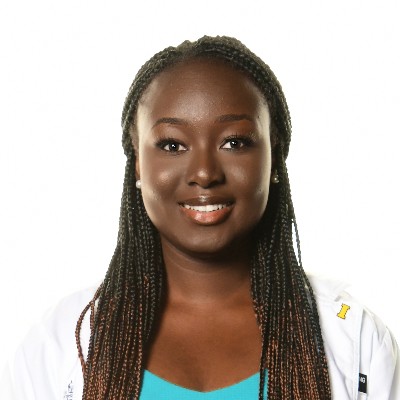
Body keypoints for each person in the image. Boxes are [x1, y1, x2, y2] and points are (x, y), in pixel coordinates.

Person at [5, 36, 399, 400]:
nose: (205, 173)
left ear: (274, 156)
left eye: (235, 142)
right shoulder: (57, 345)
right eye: (172, 145)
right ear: (138, 162)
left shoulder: (357, 340)